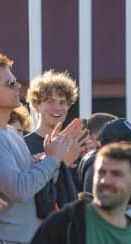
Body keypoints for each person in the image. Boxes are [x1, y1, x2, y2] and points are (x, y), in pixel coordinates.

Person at [0, 53, 83, 244]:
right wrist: (52, 159)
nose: (18, 86)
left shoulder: (11, 132)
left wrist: (54, 157)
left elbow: (30, 181)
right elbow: (19, 190)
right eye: (10, 83)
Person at [24, 69, 90, 217]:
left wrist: (88, 161)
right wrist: (62, 165)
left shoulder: (75, 145)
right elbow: (28, 193)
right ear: (35, 105)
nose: (58, 108)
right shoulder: (23, 145)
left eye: (63, 102)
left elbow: (83, 191)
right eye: (50, 102)